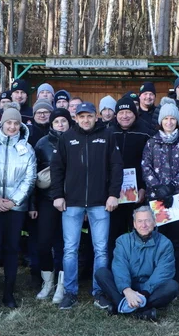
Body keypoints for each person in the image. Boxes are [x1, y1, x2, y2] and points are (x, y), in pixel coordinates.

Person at [50, 101, 124, 310]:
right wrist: (57, 195)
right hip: (71, 203)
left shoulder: (108, 136)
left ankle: (99, 291)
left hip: (100, 202)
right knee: (70, 249)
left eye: (89, 116)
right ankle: (70, 292)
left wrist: (113, 195)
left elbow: (116, 166)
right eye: (81, 116)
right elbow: (57, 168)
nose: (85, 120)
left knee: (101, 249)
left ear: (95, 117)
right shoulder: (67, 138)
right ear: (76, 118)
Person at [0, 106, 36, 309]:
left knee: (12, 249)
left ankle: (8, 292)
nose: (12, 126)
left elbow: (30, 178)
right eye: (9, 123)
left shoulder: (27, 148)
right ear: (2, 124)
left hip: (16, 208)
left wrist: (14, 201)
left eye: (16, 123)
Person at [141, 98, 179, 282]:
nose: (169, 122)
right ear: (161, 121)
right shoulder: (152, 142)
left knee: (177, 241)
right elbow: (145, 167)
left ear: (177, 121)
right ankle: (158, 277)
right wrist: (159, 189)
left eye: (173, 119)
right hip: (157, 199)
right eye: (166, 119)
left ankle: (174, 278)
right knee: (158, 239)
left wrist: (172, 187)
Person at [95, 206, 179, 321]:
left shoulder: (165, 243)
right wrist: (127, 290)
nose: (143, 225)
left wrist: (144, 293)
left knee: (172, 286)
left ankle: (122, 306)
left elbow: (163, 272)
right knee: (101, 273)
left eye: (147, 220)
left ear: (154, 222)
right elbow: (120, 267)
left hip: (150, 289)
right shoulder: (122, 241)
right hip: (127, 287)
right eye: (139, 221)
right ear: (134, 224)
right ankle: (142, 311)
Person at [32, 108, 72, 303]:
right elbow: (33, 176)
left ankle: (62, 285)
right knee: (44, 243)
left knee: (66, 245)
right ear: (52, 124)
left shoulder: (76, 141)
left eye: (64, 121)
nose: (61, 125)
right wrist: (32, 204)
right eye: (57, 122)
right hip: (47, 199)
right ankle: (47, 282)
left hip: (72, 201)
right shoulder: (41, 144)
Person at [109, 97, 152, 245]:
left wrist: (143, 187)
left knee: (140, 232)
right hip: (114, 194)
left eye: (128, 112)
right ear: (116, 115)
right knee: (115, 234)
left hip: (137, 194)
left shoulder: (146, 133)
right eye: (121, 112)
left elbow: (149, 164)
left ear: (135, 114)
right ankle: (116, 265)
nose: (125, 116)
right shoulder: (108, 133)